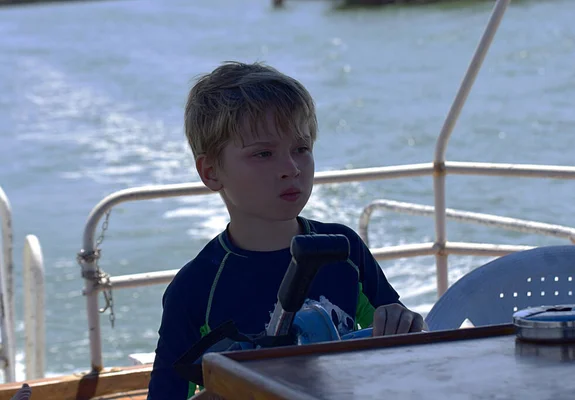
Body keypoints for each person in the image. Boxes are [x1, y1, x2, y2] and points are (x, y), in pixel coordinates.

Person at [147, 61, 425, 399]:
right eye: (264, 153)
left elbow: (394, 345)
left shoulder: (342, 249)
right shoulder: (195, 290)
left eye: (301, 149)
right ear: (210, 172)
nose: (291, 168)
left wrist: (405, 325)